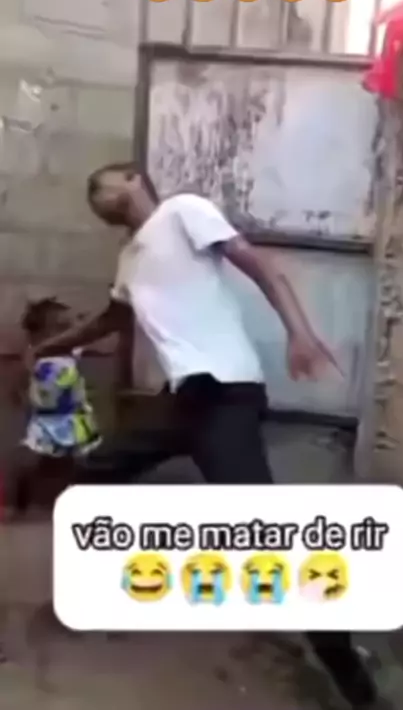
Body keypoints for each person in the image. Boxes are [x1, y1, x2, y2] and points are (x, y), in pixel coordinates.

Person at [28, 162, 377, 707]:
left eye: (99, 184)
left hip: (225, 395)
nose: (93, 197)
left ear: (132, 178)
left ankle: (356, 682)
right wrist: (47, 347)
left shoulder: (183, 212)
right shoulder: (129, 260)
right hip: (183, 399)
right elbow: (109, 321)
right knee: (92, 473)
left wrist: (300, 333)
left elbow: (261, 266)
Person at [7, 298, 101, 517]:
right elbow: (20, 384)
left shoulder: (69, 351)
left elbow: (86, 333)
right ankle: (21, 499)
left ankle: (64, 502)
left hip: (72, 417)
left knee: (71, 462)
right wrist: (22, 396)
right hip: (47, 419)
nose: (68, 333)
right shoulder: (36, 355)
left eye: (69, 327)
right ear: (38, 335)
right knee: (38, 459)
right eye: (60, 327)